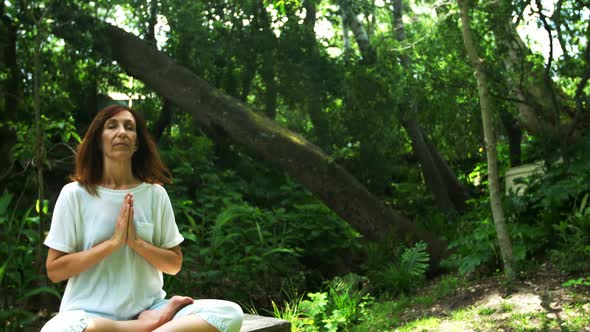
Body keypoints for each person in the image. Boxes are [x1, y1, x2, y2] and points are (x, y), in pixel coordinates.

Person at [41, 105, 243, 332]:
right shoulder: (75, 194)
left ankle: (143, 325)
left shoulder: (155, 194)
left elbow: (174, 264)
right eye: (112, 126)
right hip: (88, 314)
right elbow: (55, 270)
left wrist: (136, 243)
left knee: (229, 313)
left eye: (129, 127)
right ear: (98, 140)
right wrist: (113, 244)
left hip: (151, 307)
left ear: (136, 143)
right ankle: (143, 328)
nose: (122, 132)